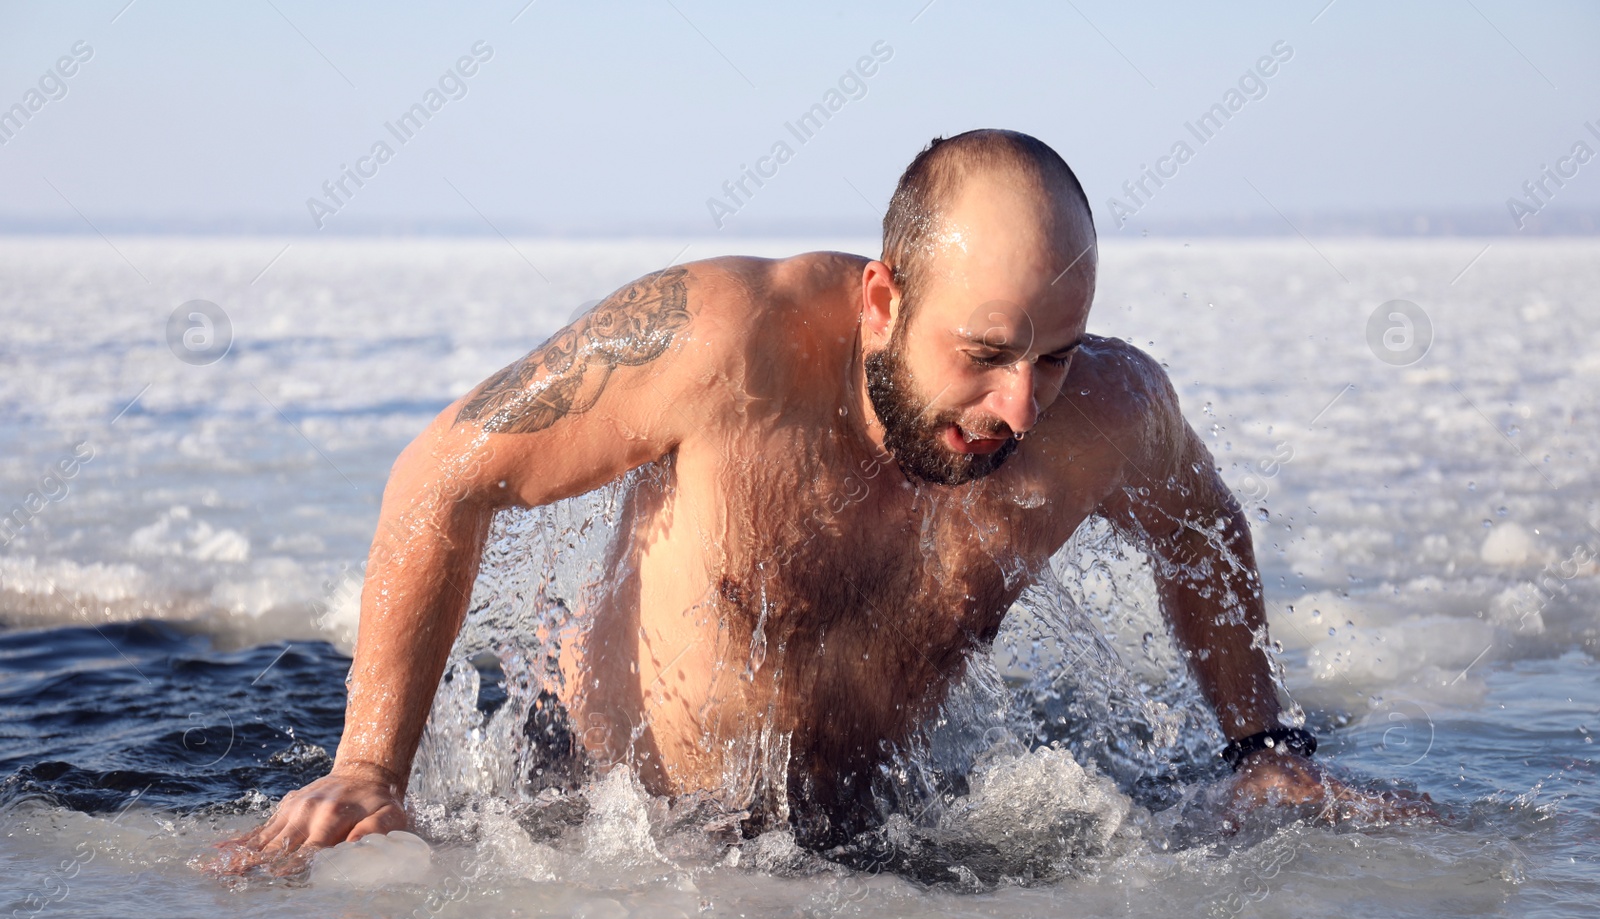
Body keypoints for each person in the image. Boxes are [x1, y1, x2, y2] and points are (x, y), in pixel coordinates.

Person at [222, 129, 1414, 863]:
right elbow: (446, 473)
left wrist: (1263, 743)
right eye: (986, 351)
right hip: (604, 831)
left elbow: (1199, 524)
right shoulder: (718, 344)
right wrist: (370, 766)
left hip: (876, 842)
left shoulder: (1104, 409)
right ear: (883, 302)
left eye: (1054, 353)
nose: (1021, 408)